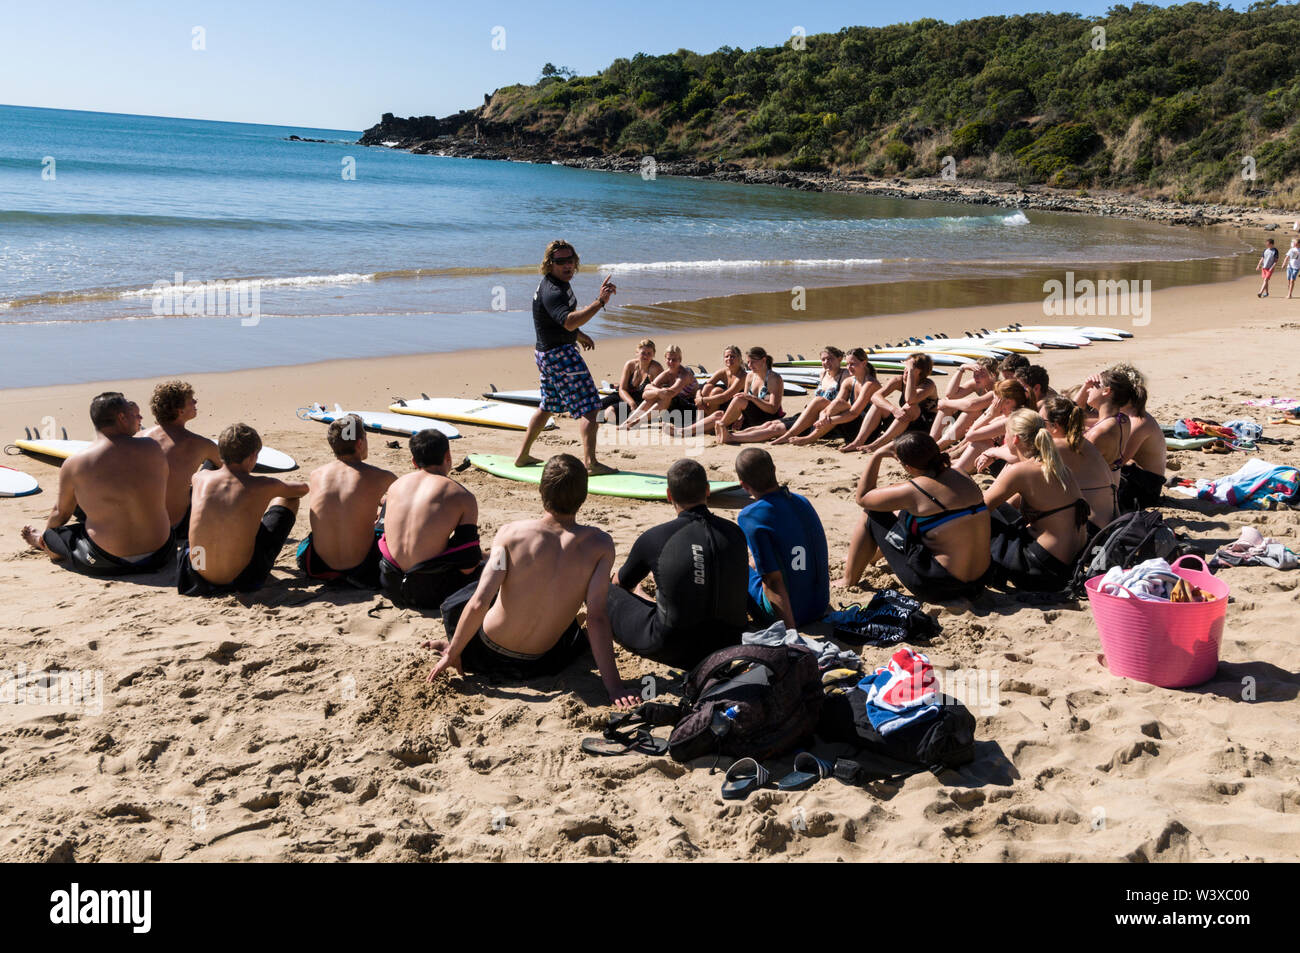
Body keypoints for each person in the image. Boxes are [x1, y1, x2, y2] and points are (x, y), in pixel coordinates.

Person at [422, 454, 638, 709]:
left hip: (484, 654)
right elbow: (597, 617)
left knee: (467, 595)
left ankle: (456, 646)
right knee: (573, 634)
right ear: (584, 495)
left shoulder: (511, 534)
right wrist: (614, 687)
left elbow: (479, 602)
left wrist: (453, 653)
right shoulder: (601, 546)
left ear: (541, 490)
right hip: (541, 663)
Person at [606, 459, 749, 667]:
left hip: (672, 647)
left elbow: (622, 584)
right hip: (729, 643)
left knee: (602, 590)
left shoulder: (655, 537)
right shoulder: (735, 532)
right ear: (708, 490)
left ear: (669, 495)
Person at [21, 392, 174, 575]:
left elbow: (60, 513)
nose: (138, 418)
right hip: (161, 554)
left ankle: (44, 545)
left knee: (54, 533)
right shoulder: (153, 448)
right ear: (121, 417)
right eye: (132, 413)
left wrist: (47, 537)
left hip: (107, 560)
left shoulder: (75, 463)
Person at [840, 433, 990, 602]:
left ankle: (848, 579)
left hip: (940, 587)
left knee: (872, 513)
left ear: (908, 467)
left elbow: (862, 497)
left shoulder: (915, 490)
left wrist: (877, 455)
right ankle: (872, 556)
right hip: (978, 583)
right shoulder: (961, 473)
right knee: (909, 515)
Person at [516, 240, 616, 475]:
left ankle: (522, 456)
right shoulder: (553, 291)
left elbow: (561, 322)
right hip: (559, 356)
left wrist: (578, 335)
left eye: (570, 260)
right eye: (561, 261)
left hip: (546, 353)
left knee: (547, 406)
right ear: (549, 264)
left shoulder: (557, 283)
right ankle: (590, 463)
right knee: (592, 408)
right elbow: (569, 320)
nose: (567, 265)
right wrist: (600, 302)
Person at [178, 423, 309, 596]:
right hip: (240, 578)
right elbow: (302, 489)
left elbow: (213, 470)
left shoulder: (200, 478)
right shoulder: (262, 485)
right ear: (253, 457)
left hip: (196, 573)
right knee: (288, 499)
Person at [984, 411, 1091, 592]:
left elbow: (979, 509)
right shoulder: (1059, 468)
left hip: (1041, 569)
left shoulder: (1022, 471)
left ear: (1015, 438)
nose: (1004, 438)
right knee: (1000, 510)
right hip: (1071, 564)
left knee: (978, 516)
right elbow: (1006, 505)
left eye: (1006, 433)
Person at [378, 429, 483, 610]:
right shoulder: (462, 496)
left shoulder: (395, 486)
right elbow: (468, 564)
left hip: (389, 583)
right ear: (448, 456)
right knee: (493, 565)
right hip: (431, 592)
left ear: (413, 461)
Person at [296, 415, 397, 588]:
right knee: (392, 501)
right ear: (359, 443)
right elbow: (409, 498)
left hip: (317, 566)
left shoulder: (316, 475)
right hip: (364, 568)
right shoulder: (381, 476)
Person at [734, 448, 829, 628]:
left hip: (792, 614)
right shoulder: (802, 501)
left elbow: (772, 580)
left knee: (732, 564)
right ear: (774, 469)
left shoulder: (751, 516)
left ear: (744, 485)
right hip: (819, 605)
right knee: (759, 559)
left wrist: (790, 631)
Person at [142, 380, 219, 542]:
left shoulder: (138, 437)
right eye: (191, 400)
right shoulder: (201, 444)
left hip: (141, 524)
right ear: (180, 411)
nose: (195, 402)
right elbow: (231, 469)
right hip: (175, 527)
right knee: (213, 467)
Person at [840, 353, 938, 453]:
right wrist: (893, 409)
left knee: (910, 407)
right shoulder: (898, 380)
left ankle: (876, 445)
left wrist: (912, 374)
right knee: (878, 405)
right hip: (903, 424)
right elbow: (875, 396)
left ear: (919, 371)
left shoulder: (928, 385)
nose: (905, 371)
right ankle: (858, 442)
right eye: (906, 367)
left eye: (909, 368)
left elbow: (910, 399)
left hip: (925, 429)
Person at [783, 348, 881, 446]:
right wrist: (823, 415)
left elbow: (854, 413)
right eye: (847, 364)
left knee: (839, 404)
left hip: (867, 432)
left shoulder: (870, 384)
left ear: (864, 363)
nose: (849, 367)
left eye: (852, 364)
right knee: (830, 402)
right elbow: (836, 401)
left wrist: (827, 421)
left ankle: (809, 438)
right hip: (849, 427)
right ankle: (790, 434)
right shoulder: (849, 381)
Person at [1108, 364, 1166, 511]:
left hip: (1147, 488)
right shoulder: (1127, 414)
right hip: (1139, 477)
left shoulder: (1138, 422)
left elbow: (1119, 461)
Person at [769, 346, 847, 445]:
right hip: (812, 415)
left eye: (830, 359)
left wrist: (822, 412)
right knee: (770, 424)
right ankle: (742, 436)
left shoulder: (845, 375)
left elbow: (840, 402)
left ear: (839, 359)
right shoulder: (822, 374)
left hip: (827, 418)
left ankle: (788, 436)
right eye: (823, 359)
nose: (826, 362)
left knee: (775, 428)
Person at [663, 345, 744, 437]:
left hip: (737, 410)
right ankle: (700, 422)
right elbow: (704, 385)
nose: (729, 359)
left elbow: (725, 396)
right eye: (727, 356)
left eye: (732, 356)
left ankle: (690, 429)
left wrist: (702, 400)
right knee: (707, 388)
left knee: (716, 392)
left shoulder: (742, 376)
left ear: (739, 358)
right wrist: (699, 396)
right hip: (723, 405)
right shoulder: (723, 372)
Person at [954, 379, 1031, 474]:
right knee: (981, 441)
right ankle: (955, 466)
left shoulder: (1011, 419)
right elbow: (975, 430)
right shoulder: (1014, 413)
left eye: (996, 399)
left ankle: (956, 471)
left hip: (1011, 466)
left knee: (981, 443)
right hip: (1005, 459)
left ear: (1008, 402)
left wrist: (991, 415)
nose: (993, 404)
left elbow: (970, 436)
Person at [713, 346, 785, 444]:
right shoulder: (750, 376)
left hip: (767, 419)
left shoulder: (774, 379)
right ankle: (686, 430)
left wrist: (753, 398)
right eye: (748, 362)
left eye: (753, 362)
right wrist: (741, 418)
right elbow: (746, 403)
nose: (750, 365)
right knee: (718, 414)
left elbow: (773, 409)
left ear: (764, 360)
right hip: (751, 417)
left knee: (739, 399)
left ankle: (721, 426)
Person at [621, 344, 698, 430]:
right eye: (669, 359)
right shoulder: (666, 374)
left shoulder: (684, 375)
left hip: (689, 411)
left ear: (680, 360)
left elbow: (671, 393)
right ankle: (629, 420)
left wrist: (657, 391)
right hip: (673, 411)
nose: (671, 362)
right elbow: (645, 393)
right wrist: (658, 391)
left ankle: (638, 421)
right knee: (658, 394)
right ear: (665, 359)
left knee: (666, 396)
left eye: (674, 360)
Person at [930, 357, 999, 443]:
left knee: (970, 412)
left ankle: (940, 445)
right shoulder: (977, 383)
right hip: (981, 420)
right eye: (975, 374)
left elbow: (972, 405)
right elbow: (951, 394)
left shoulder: (998, 388)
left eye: (982, 374)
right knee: (947, 407)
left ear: (993, 375)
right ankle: (932, 441)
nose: (976, 377)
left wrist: (945, 402)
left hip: (995, 425)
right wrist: (962, 369)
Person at [601, 339, 662, 425]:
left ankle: (605, 417)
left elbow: (657, 395)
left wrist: (638, 408)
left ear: (653, 355)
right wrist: (631, 403)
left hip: (639, 402)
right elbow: (622, 389)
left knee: (610, 412)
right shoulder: (630, 365)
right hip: (625, 397)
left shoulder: (656, 368)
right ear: (637, 352)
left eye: (649, 353)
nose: (646, 356)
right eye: (643, 353)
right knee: (594, 406)